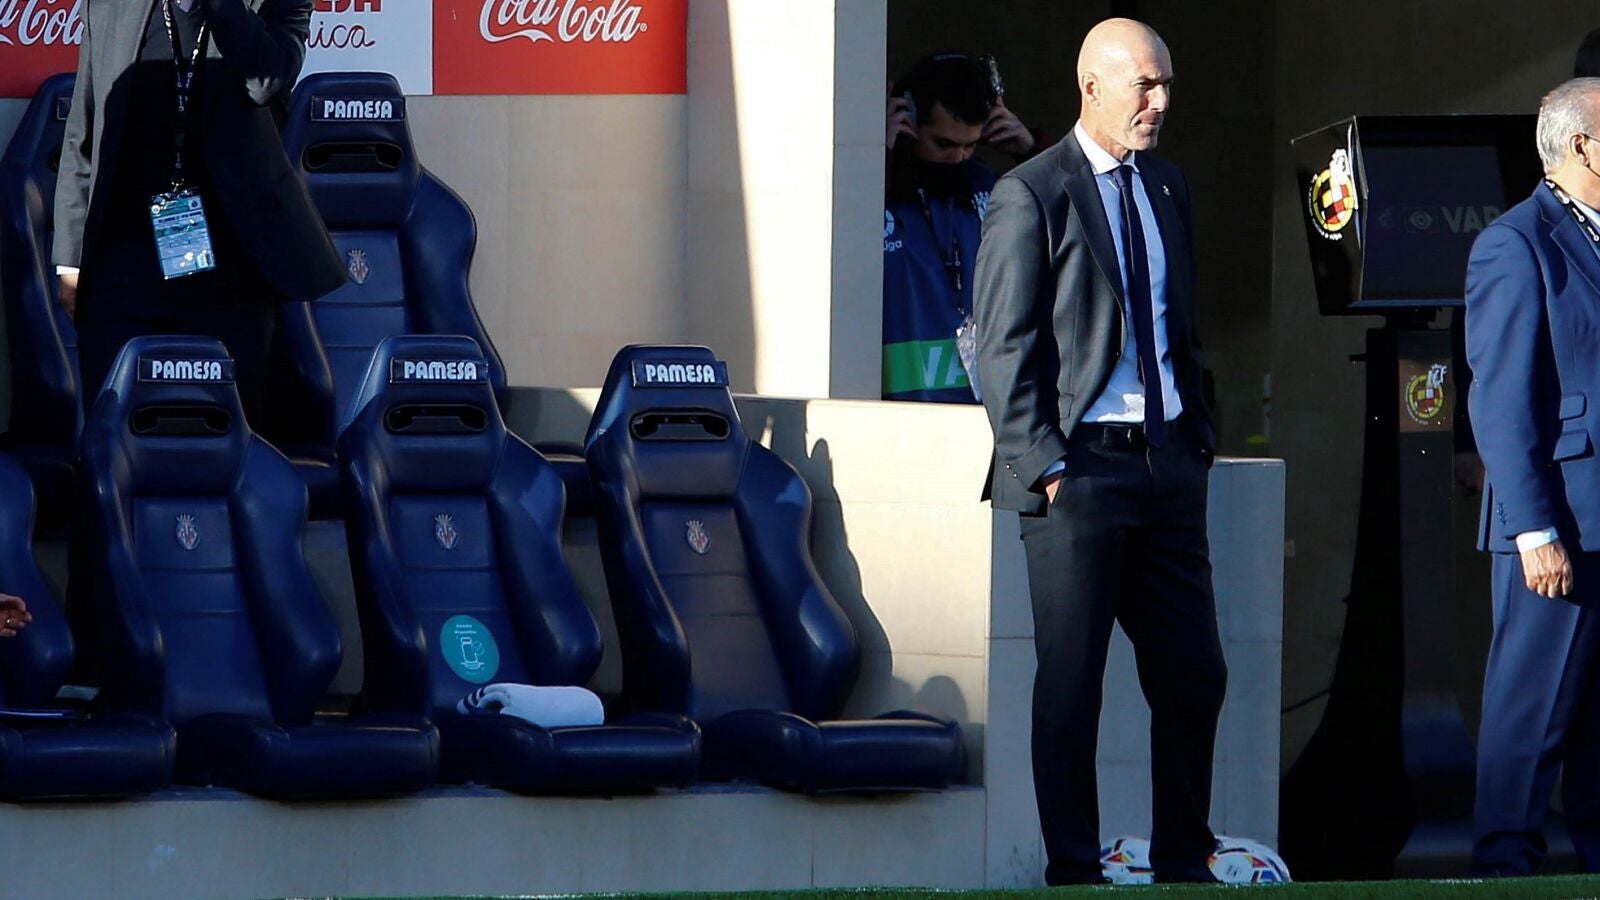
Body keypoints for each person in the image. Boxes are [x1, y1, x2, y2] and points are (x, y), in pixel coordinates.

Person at [973, 18, 1225, 885]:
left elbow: (1180, 323)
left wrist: (1198, 436)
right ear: (1092, 86)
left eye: (1165, 84)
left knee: (1196, 675)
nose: (1160, 101)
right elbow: (1002, 347)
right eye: (1143, 85)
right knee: (1072, 686)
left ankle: (1184, 861)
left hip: (1168, 463)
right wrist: (1044, 465)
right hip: (1078, 470)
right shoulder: (1031, 191)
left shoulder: (1168, 186)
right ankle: (1075, 870)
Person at [54, 0, 346, 420]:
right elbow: (85, 123)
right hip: (125, 260)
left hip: (232, 267)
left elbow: (267, 80)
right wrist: (70, 260)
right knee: (116, 425)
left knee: (222, 433)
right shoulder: (111, 5)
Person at [1465, 77, 1600, 877]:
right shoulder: (1516, 243)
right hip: (1559, 521)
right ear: (1583, 145)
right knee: (1532, 712)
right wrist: (1533, 529)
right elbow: (1502, 397)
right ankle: (1502, 868)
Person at [882, 54, 1038, 403]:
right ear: (906, 121)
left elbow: (1076, 240)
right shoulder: (875, 196)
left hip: (983, 414)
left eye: (970, 145)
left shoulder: (992, 188)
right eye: (944, 144)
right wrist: (878, 155)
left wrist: (1031, 155)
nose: (958, 158)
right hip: (892, 416)